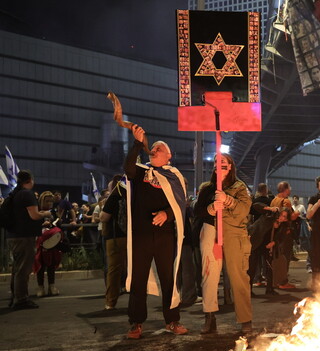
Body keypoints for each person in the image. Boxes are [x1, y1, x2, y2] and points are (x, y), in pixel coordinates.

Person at [124, 125, 188, 339]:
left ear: (168, 156)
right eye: (153, 148)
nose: (155, 150)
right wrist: (136, 142)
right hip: (141, 234)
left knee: (168, 278)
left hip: (164, 236)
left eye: (159, 149)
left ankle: (172, 320)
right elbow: (128, 168)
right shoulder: (140, 171)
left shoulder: (173, 175)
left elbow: (181, 203)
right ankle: (136, 322)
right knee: (138, 278)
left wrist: (167, 214)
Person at [194, 153, 252, 334]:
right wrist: (210, 208)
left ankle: (245, 320)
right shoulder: (207, 188)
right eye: (217, 163)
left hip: (234, 234)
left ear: (231, 166)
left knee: (238, 277)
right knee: (209, 276)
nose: (220, 165)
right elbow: (197, 211)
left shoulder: (240, 187)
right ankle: (209, 317)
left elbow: (244, 210)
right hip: (211, 233)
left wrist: (228, 200)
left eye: (224, 162)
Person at [6, 170, 52, 309]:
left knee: (17, 268)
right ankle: (21, 300)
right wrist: (46, 213)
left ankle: (16, 297)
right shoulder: (26, 194)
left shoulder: (15, 194)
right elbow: (34, 215)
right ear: (29, 180)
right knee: (23, 269)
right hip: (24, 236)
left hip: (14, 235)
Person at [248, 205, 290, 295]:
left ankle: (269, 288)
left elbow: (281, 238)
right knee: (252, 267)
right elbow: (256, 205)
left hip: (267, 246)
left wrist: (274, 242)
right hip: (256, 242)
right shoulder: (270, 215)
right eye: (281, 215)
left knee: (269, 266)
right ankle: (248, 289)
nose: (282, 218)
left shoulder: (284, 225)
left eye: (284, 217)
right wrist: (270, 208)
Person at [99, 175, 127, 310]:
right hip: (131, 237)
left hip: (115, 238)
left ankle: (111, 301)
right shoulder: (130, 197)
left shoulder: (113, 198)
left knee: (114, 270)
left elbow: (104, 217)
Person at [34, 191, 63, 297]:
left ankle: (52, 286)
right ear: (42, 201)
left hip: (52, 242)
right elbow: (33, 224)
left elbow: (59, 224)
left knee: (51, 264)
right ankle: (40, 287)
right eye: (47, 201)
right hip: (40, 241)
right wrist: (42, 224)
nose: (50, 203)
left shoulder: (54, 212)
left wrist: (53, 224)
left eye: (51, 201)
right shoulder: (37, 212)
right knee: (40, 264)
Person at [270, 181, 298, 289]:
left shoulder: (273, 200)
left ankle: (275, 280)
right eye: (289, 188)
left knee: (276, 257)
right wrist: (296, 215)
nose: (290, 190)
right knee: (285, 256)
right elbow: (290, 216)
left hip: (275, 231)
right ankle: (283, 282)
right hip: (285, 232)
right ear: (285, 189)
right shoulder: (286, 201)